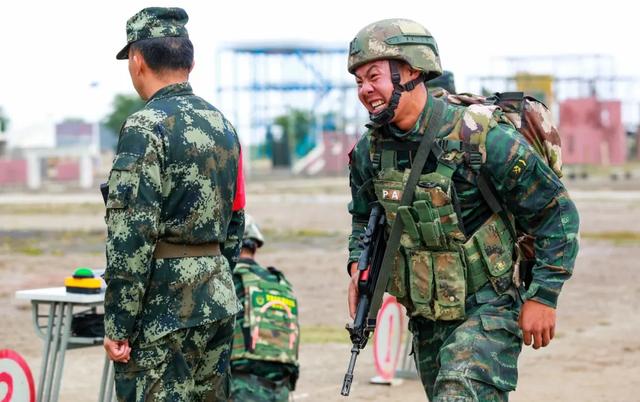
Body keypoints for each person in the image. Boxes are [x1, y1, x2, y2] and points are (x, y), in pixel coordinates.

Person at [346, 19, 579, 401]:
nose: (365, 90)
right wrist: (358, 266)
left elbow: (557, 213)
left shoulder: (481, 137)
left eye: (374, 77)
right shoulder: (369, 152)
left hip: (489, 307)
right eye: (358, 82)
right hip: (427, 317)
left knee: (458, 394)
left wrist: (543, 296)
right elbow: (362, 216)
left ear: (412, 71)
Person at [103, 7, 245, 401]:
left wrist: (118, 323)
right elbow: (236, 218)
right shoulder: (223, 126)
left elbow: (131, 235)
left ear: (137, 60)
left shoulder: (144, 126)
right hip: (217, 298)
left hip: (162, 311)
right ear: (190, 62)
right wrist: (214, 277)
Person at [230, 214, 300, 401]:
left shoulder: (229, 280)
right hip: (281, 389)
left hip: (241, 389)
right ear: (255, 246)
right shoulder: (280, 283)